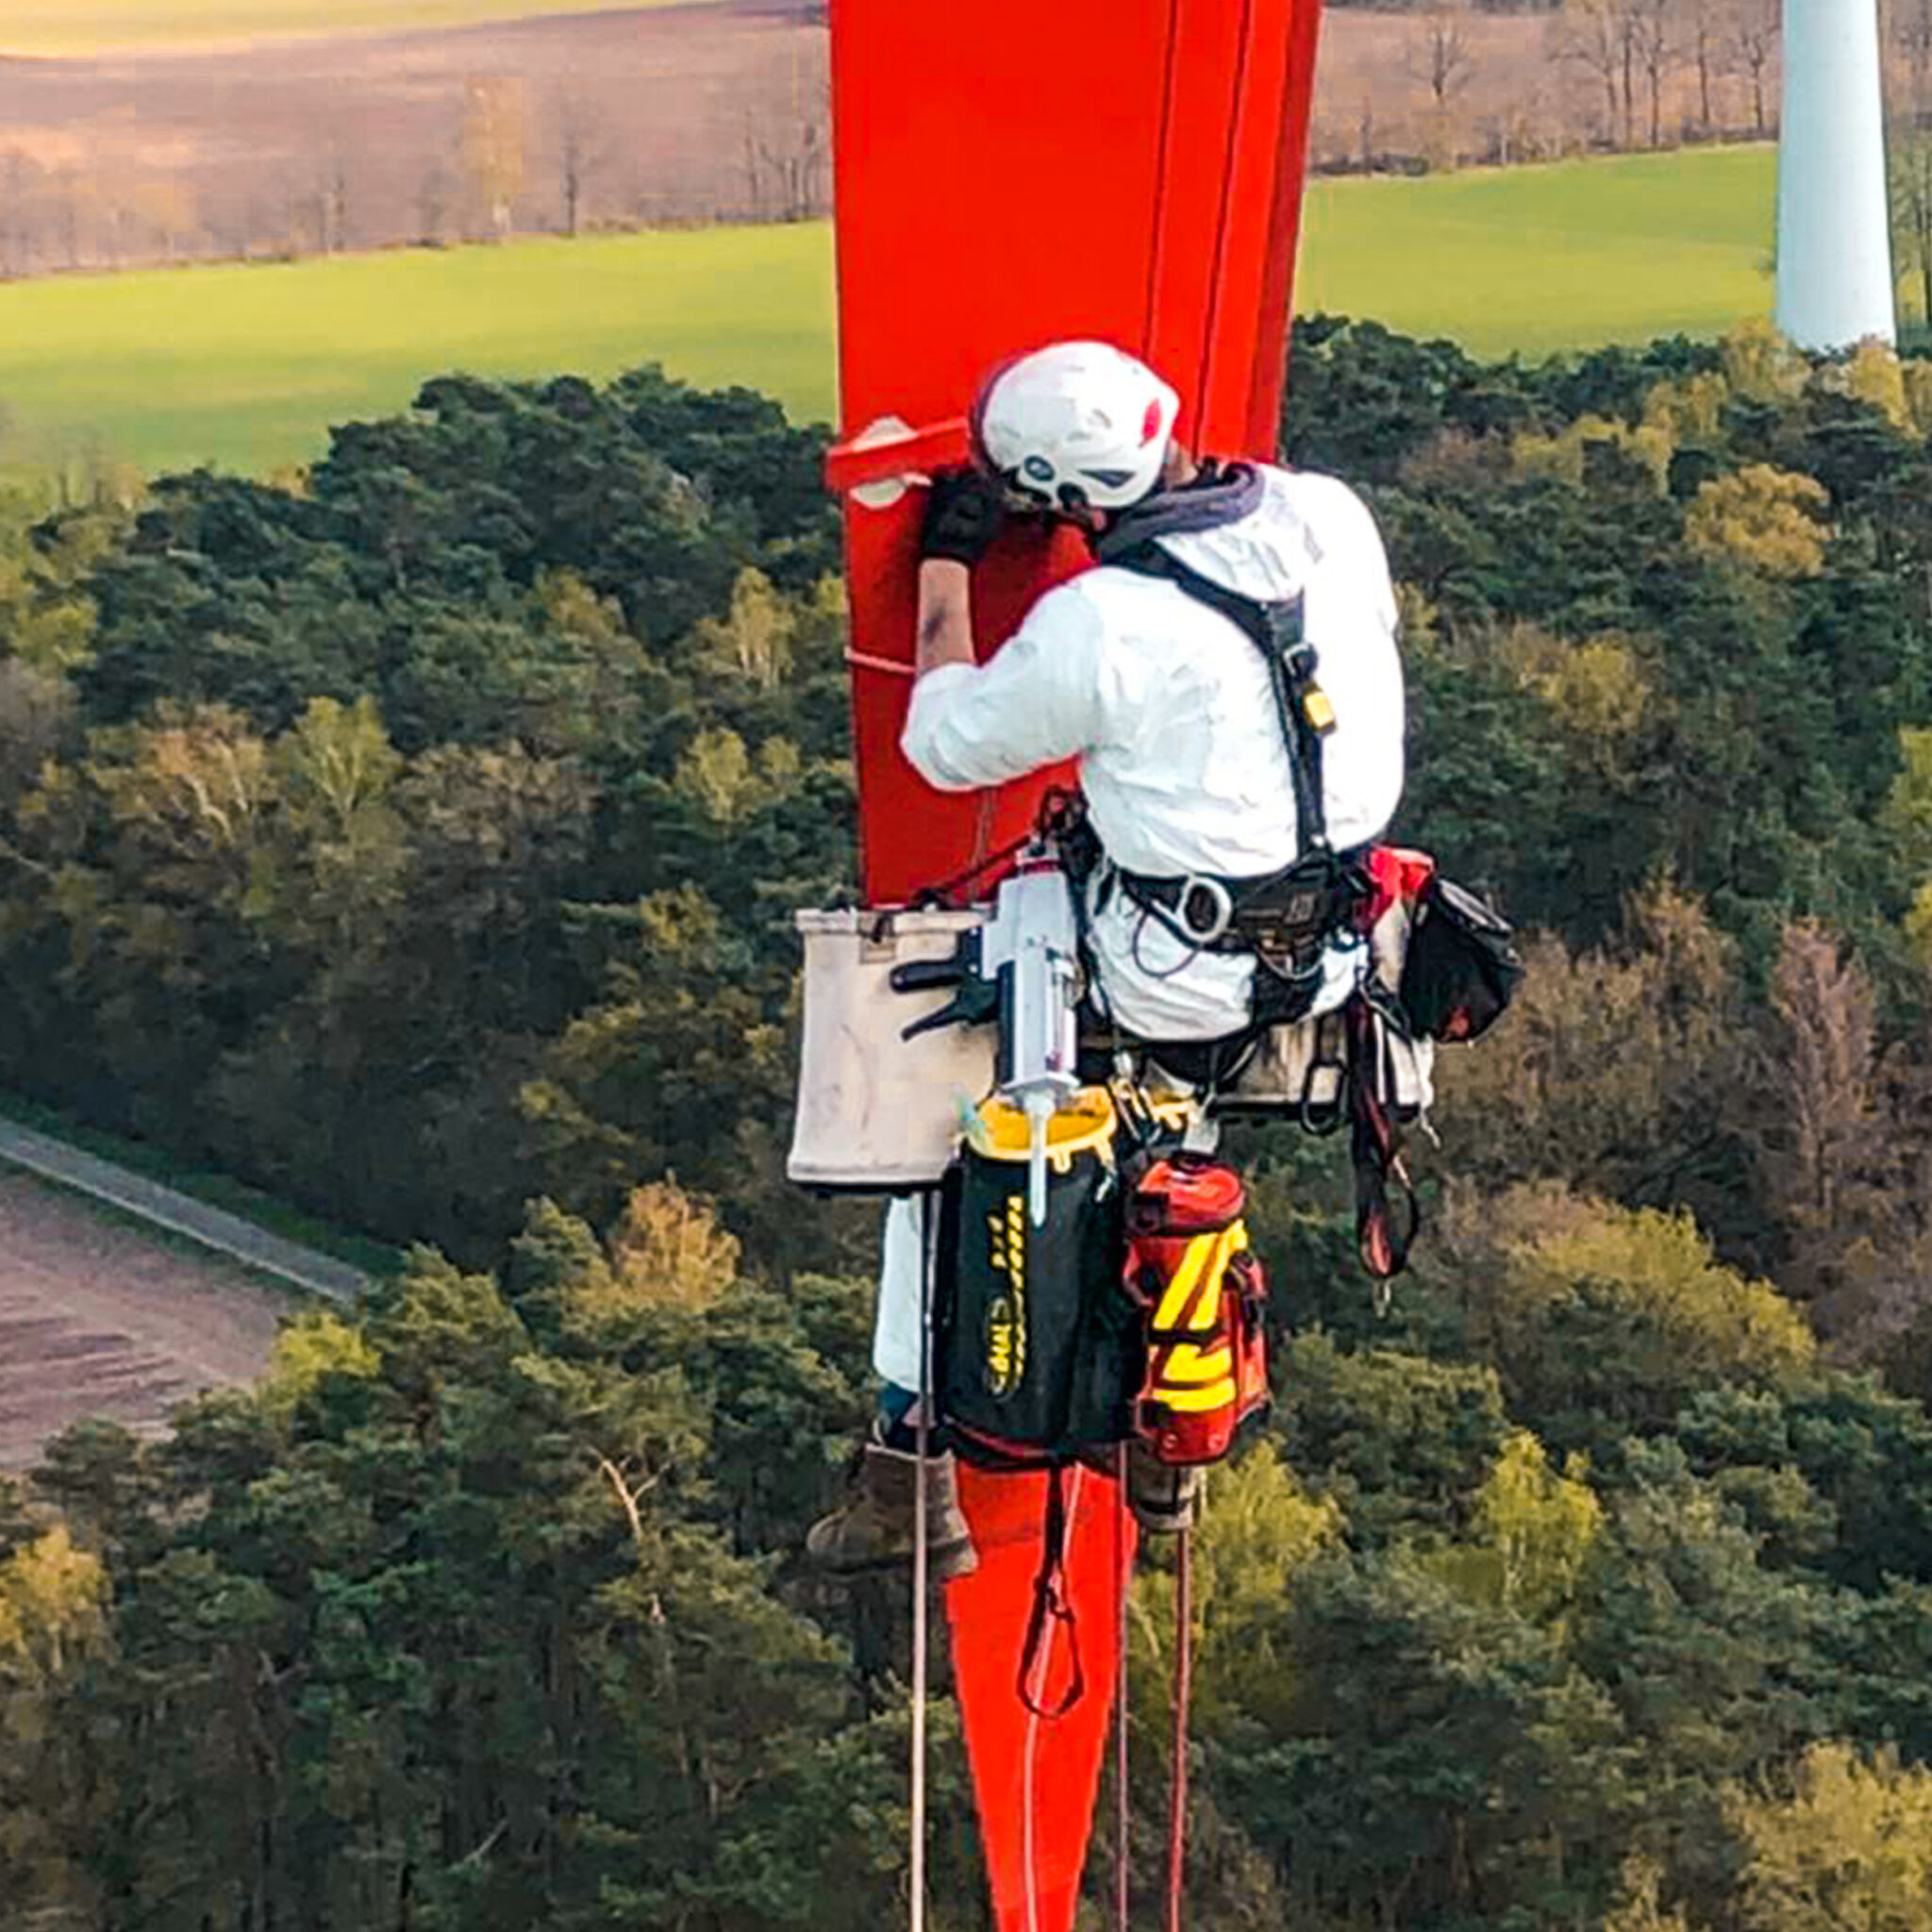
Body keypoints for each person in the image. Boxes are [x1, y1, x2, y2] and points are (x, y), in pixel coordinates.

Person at [806, 340, 1406, 1578]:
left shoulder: (1105, 622)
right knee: (1169, 1144)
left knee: (956, 1104)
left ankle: (909, 1459)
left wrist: (950, 568)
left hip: (1177, 964)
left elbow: (946, 743)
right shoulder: (1332, 518)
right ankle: (1164, 1448)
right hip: (1336, 948)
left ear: (1068, 504)